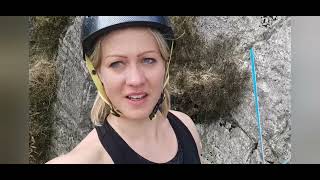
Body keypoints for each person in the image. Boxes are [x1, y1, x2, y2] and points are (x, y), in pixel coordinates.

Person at [46, 16, 202, 164]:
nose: (136, 80)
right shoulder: (84, 160)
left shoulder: (186, 128)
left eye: (148, 60)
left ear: (165, 65)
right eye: (117, 64)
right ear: (97, 73)